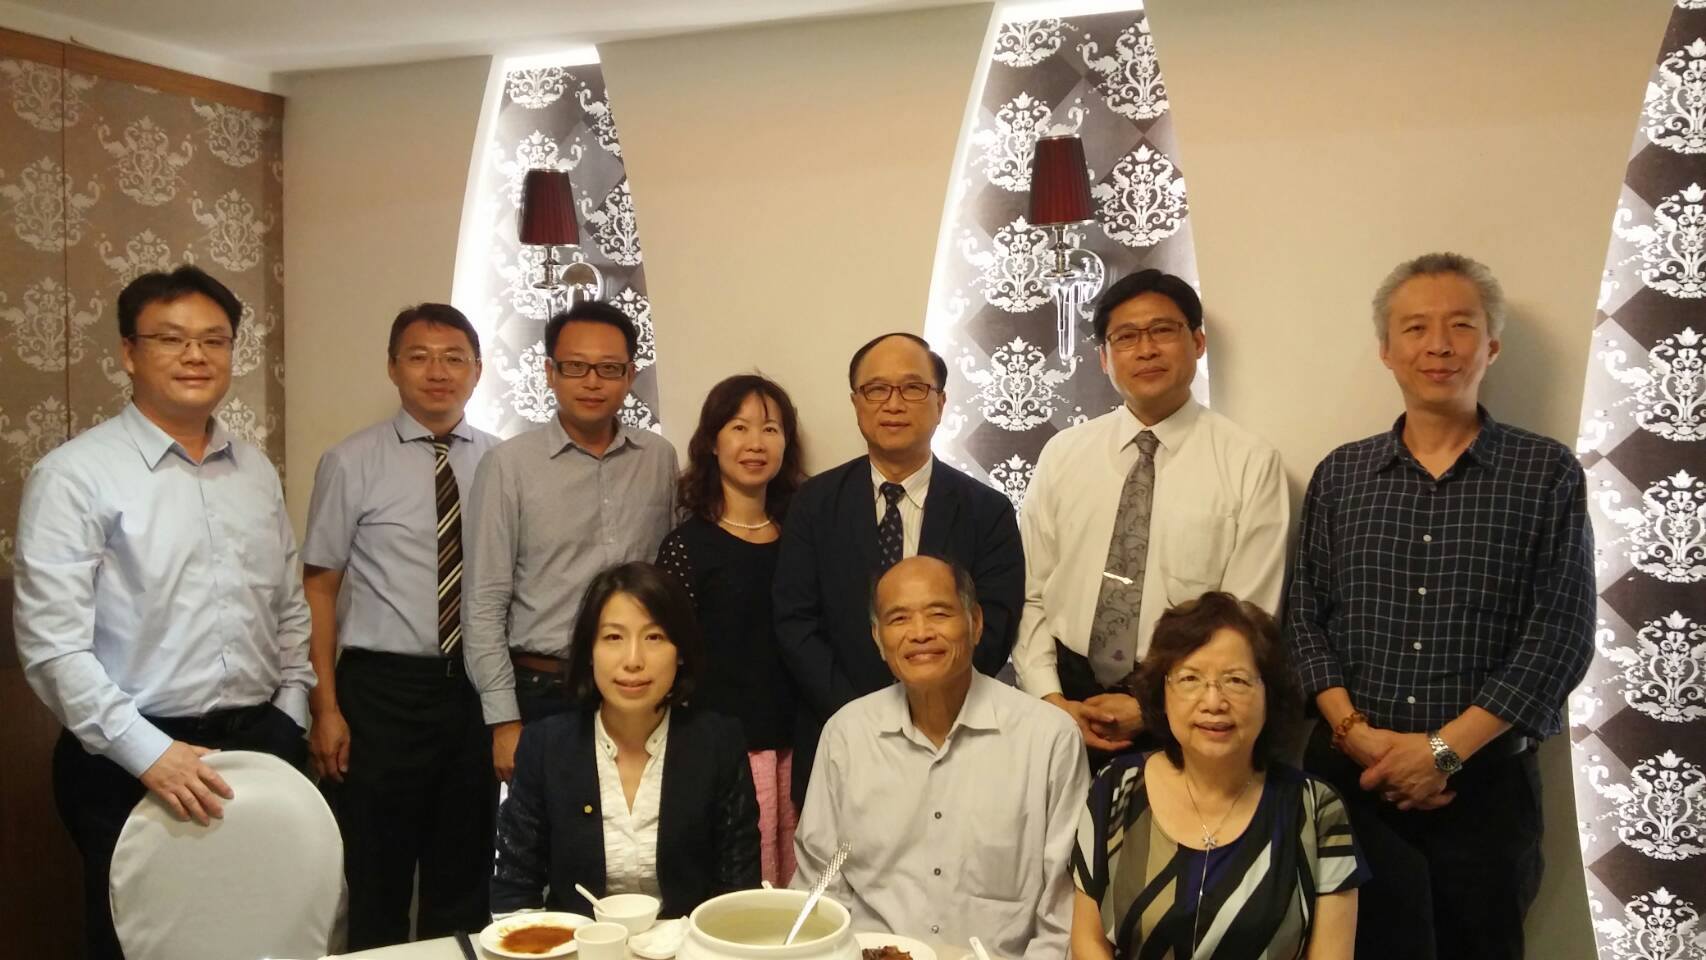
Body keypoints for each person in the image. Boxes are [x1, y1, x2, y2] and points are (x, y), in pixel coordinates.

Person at [1285, 252, 1595, 960]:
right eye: (1416, 327)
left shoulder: (1546, 472)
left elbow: (1562, 633)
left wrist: (1444, 751)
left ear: (1492, 345)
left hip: (1484, 789)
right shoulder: (1342, 474)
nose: (1439, 345)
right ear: (1386, 350)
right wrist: (1357, 735)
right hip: (1351, 781)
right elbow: (1303, 618)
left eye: (1461, 326)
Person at [12, 265, 313, 960]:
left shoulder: (255, 471)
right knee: (142, 946)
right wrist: (151, 755)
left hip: (257, 745)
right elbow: (53, 649)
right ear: (129, 352)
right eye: (171, 339)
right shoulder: (74, 476)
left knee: (259, 936)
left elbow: (287, 606)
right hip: (127, 758)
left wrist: (291, 713)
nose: (195, 355)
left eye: (214, 339)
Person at [1013, 269, 1289, 765]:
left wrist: (1155, 705)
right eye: (1125, 337)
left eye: (1163, 330)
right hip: (1066, 696)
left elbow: (1248, 617)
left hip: (1191, 707)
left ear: (1198, 342)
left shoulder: (1250, 462)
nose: (1145, 349)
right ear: (1104, 357)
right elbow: (1030, 588)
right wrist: (1048, 698)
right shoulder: (1062, 454)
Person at [300, 303, 498, 948]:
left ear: (477, 370)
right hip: (380, 692)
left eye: (453, 358)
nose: (437, 372)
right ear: (392, 368)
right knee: (375, 872)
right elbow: (319, 587)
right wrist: (325, 707)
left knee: (465, 871)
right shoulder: (349, 461)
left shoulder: (504, 463)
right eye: (419, 357)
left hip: (473, 688)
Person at [792, 556, 1087, 958]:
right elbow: (820, 886)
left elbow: (1062, 913)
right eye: (898, 619)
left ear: (975, 623)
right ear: (878, 638)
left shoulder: (1049, 739)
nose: (919, 633)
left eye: (939, 613)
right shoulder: (847, 735)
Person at [775, 332, 1023, 804]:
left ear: (941, 402)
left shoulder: (986, 510)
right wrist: (865, 719)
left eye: (912, 388)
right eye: (876, 389)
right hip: (838, 732)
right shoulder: (814, 502)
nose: (893, 403)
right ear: (856, 402)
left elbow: (992, 626)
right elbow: (795, 622)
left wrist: (930, 711)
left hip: (955, 736)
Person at [1071, 592, 1364, 960]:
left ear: (1269, 695)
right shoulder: (1117, 786)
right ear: (1163, 692)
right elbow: (1088, 941)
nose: (1213, 702)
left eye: (1236, 680)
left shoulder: (1316, 809)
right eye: (1190, 678)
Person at [463, 300, 679, 782]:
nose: (592, 381)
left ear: (630, 375)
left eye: (609, 368)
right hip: (544, 690)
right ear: (550, 373)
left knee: (638, 825)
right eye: (576, 367)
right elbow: (484, 601)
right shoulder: (508, 466)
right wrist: (503, 720)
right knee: (551, 829)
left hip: (637, 687)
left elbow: (670, 583)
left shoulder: (658, 459)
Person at [491, 561, 761, 918]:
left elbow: (738, 893)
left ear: (680, 651)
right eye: (613, 638)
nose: (633, 661)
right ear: (589, 651)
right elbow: (514, 893)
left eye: (654, 637)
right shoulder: (545, 746)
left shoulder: (717, 743)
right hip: (576, 944)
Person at [656, 374, 806, 885]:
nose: (755, 443)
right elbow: (673, 660)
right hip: (722, 750)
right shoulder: (685, 547)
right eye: (739, 427)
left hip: (800, 745)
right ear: (712, 442)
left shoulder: (805, 538)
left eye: (770, 429)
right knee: (737, 889)